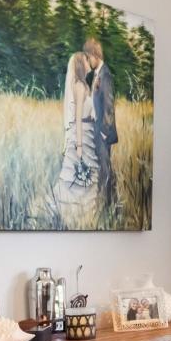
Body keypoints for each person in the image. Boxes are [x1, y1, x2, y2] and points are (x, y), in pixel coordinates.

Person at [54, 50, 99, 217]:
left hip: (87, 133)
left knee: (84, 176)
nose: (89, 63)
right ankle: (76, 211)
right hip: (81, 136)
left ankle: (83, 212)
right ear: (81, 65)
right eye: (86, 60)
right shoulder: (79, 86)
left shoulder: (84, 85)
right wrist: (79, 145)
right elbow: (78, 118)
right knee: (79, 175)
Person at [84, 36, 118, 210]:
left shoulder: (105, 74)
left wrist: (104, 130)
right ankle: (106, 201)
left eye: (88, 57)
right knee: (102, 167)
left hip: (103, 131)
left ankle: (109, 204)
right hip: (97, 129)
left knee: (105, 167)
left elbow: (109, 105)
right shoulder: (96, 75)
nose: (88, 61)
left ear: (95, 54)